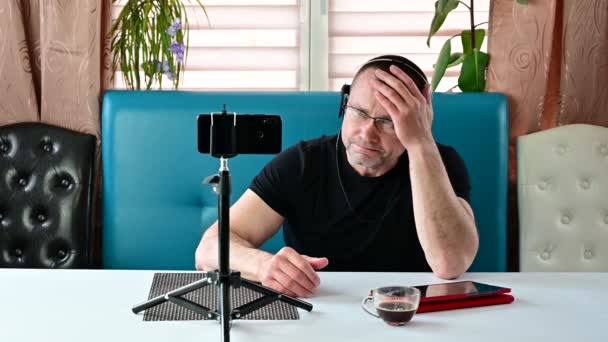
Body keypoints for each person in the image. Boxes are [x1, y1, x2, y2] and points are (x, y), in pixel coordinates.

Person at [195, 55, 478, 298]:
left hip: (408, 314)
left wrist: (420, 143)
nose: (367, 132)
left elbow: (450, 264)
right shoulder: (303, 162)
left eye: (388, 121)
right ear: (344, 105)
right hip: (318, 308)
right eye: (358, 112)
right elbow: (209, 249)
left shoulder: (440, 163)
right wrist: (263, 265)